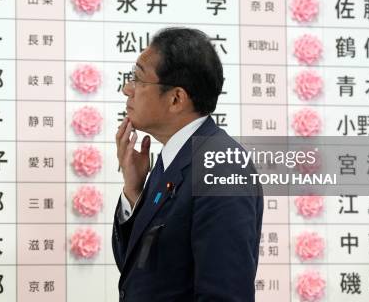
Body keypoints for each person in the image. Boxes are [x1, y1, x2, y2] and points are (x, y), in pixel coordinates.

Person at [112, 27, 263, 301]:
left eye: (138, 79)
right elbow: (138, 270)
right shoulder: (173, 159)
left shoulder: (221, 168)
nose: (127, 89)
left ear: (176, 98)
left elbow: (224, 294)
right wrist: (134, 192)